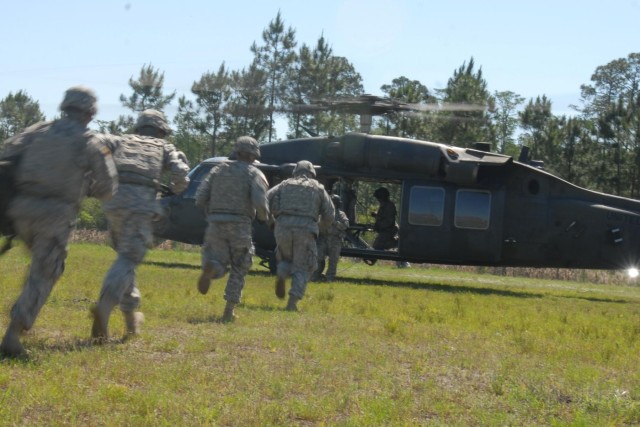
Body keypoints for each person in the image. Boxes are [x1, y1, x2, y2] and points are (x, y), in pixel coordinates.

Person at [0, 86, 118, 357]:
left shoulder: (38, 130)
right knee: (44, 273)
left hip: (20, 210)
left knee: (38, 269)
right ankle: (12, 337)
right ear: (90, 113)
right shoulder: (91, 141)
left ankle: (20, 318)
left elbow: (8, 151)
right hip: (55, 215)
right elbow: (107, 188)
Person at [91, 109, 190, 341]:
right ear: (161, 130)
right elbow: (181, 171)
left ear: (139, 127)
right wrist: (177, 189)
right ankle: (104, 306)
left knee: (126, 260)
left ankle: (131, 321)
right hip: (141, 204)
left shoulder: (121, 140)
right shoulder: (164, 147)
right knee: (128, 259)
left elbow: (95, 144)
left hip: (113, 202)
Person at [194, 136, 270, 322]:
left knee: (217, 259)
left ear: (236, 151)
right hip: (240, 225)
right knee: (240, 265)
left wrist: (212, 212)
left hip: (215, 223)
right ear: (253, 155)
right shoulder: (254, 174)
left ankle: (212, 269)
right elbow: (260, 203)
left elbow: (200, 197)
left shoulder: (217, 170)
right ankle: (228, 311)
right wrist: (264, 217)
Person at [267, 160, 334, 311]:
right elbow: (330, 214)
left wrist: (271, 222)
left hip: (282, 227)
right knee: (305, 266)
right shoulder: (318, 188)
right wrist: (319, 227)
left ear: (295, 171)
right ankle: (292, 303)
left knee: (286, 257)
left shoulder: (284, 185)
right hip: (306, 229)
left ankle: (283, 272)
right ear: (312, 173)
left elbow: (265, 200)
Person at [313, 194, 349, 282]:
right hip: (323, 238)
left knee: (333, 260)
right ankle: (315, 276)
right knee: (318, 258)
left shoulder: (341, 214)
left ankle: (329, 278)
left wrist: (335, 222)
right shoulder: (323, 213)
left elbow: (346, 225)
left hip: (335, 239)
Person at [371, 187, 410, 268]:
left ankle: (399, 245)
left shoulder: (389, 206)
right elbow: (383, 217)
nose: (378, 200)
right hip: (386, 230)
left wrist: (379, 225)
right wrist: (376, 215)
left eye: (378, 198)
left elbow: (389, 221)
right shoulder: (384, 205)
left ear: (382, 197)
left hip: (388, 230)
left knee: (378, 246)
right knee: (378, 246)